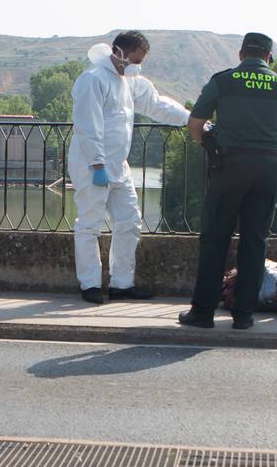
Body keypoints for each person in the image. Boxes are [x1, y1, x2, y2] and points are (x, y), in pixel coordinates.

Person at [181, 32, 277, 330]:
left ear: (240, 54)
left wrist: (207, 145)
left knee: (215, 238)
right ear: (268, 57)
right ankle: (244, 315)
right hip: (268, 169)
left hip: (229, 166)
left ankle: (203, 313)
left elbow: (195, 124)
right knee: (255, 241)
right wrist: (272, 149)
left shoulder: (223, 80)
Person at [68, 31, 190, 303]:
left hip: (118, 166)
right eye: (134, 59)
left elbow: (157, 105)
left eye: (140, 61)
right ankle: (89, 284)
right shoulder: (93, 79)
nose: (137, 65)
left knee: (129, 222)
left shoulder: (131, 81)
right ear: (118, 52)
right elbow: (88, 126)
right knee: (89, 224)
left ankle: (122, 284)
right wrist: (97, 163)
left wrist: (192, 120)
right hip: (92, 165)